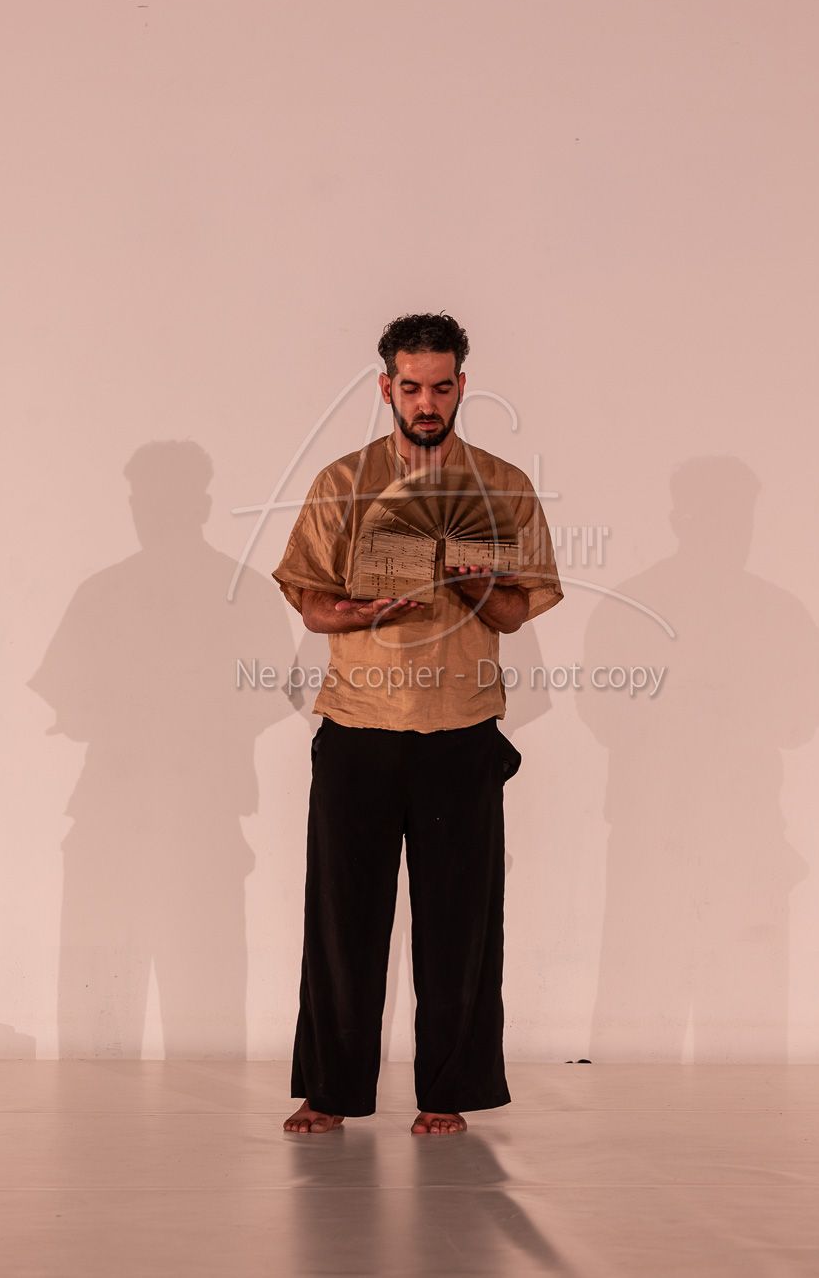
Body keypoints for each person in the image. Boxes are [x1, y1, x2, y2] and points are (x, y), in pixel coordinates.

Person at [273, 312, 563, 1135]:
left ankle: (447, 1092)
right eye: (411, 387)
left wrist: (469, 580)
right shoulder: (343, 482)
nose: (426, 403)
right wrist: (351, 612)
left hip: (461, 728)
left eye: (441, 387)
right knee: (343, 920)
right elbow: (310, 602)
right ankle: (331, 1091)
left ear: (462, 385)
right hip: (359, 723)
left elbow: (514, 612)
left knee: (460, 921)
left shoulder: (501, 485)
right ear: (386, 388)